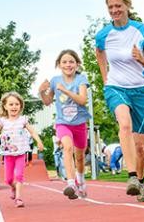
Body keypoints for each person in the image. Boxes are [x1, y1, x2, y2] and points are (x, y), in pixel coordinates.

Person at [95, 0, 144, 202]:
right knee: (124, 124)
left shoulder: (142, 30)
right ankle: (131, 177)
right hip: (116, 87)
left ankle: (140, 181)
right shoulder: (103, 34)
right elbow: (99, 54)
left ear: (128, 6)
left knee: (140, 147)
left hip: (142, 90)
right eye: (110, 7)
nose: (114, 10)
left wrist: (141, 58)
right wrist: (105, 79)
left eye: (118, 6)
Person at [39, 49, 92, 199]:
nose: (68, 65)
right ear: (59, 65)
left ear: (77, 64)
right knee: (67, 148)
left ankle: (80, 179)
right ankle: (71, 183)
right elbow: (48, 101)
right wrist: (42, 92)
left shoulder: (81, 79)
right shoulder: (55, 80)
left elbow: (83, 100)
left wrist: (65, 91)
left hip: (80, 123)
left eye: (71, 62)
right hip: (63, 123)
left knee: (80, 156)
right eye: (64, 62)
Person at [0, 92, 44, 208]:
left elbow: (33, 132)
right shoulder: (2, 121)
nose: (14, 106)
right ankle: (13, 187)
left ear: (20, 106)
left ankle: (18, 198)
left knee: (19, 175)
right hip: (8, 154)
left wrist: (39, 141)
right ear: (5, 106)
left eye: (17, 104)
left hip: (20, 153)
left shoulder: (23, 120)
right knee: (8, 180)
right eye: (11, 104)